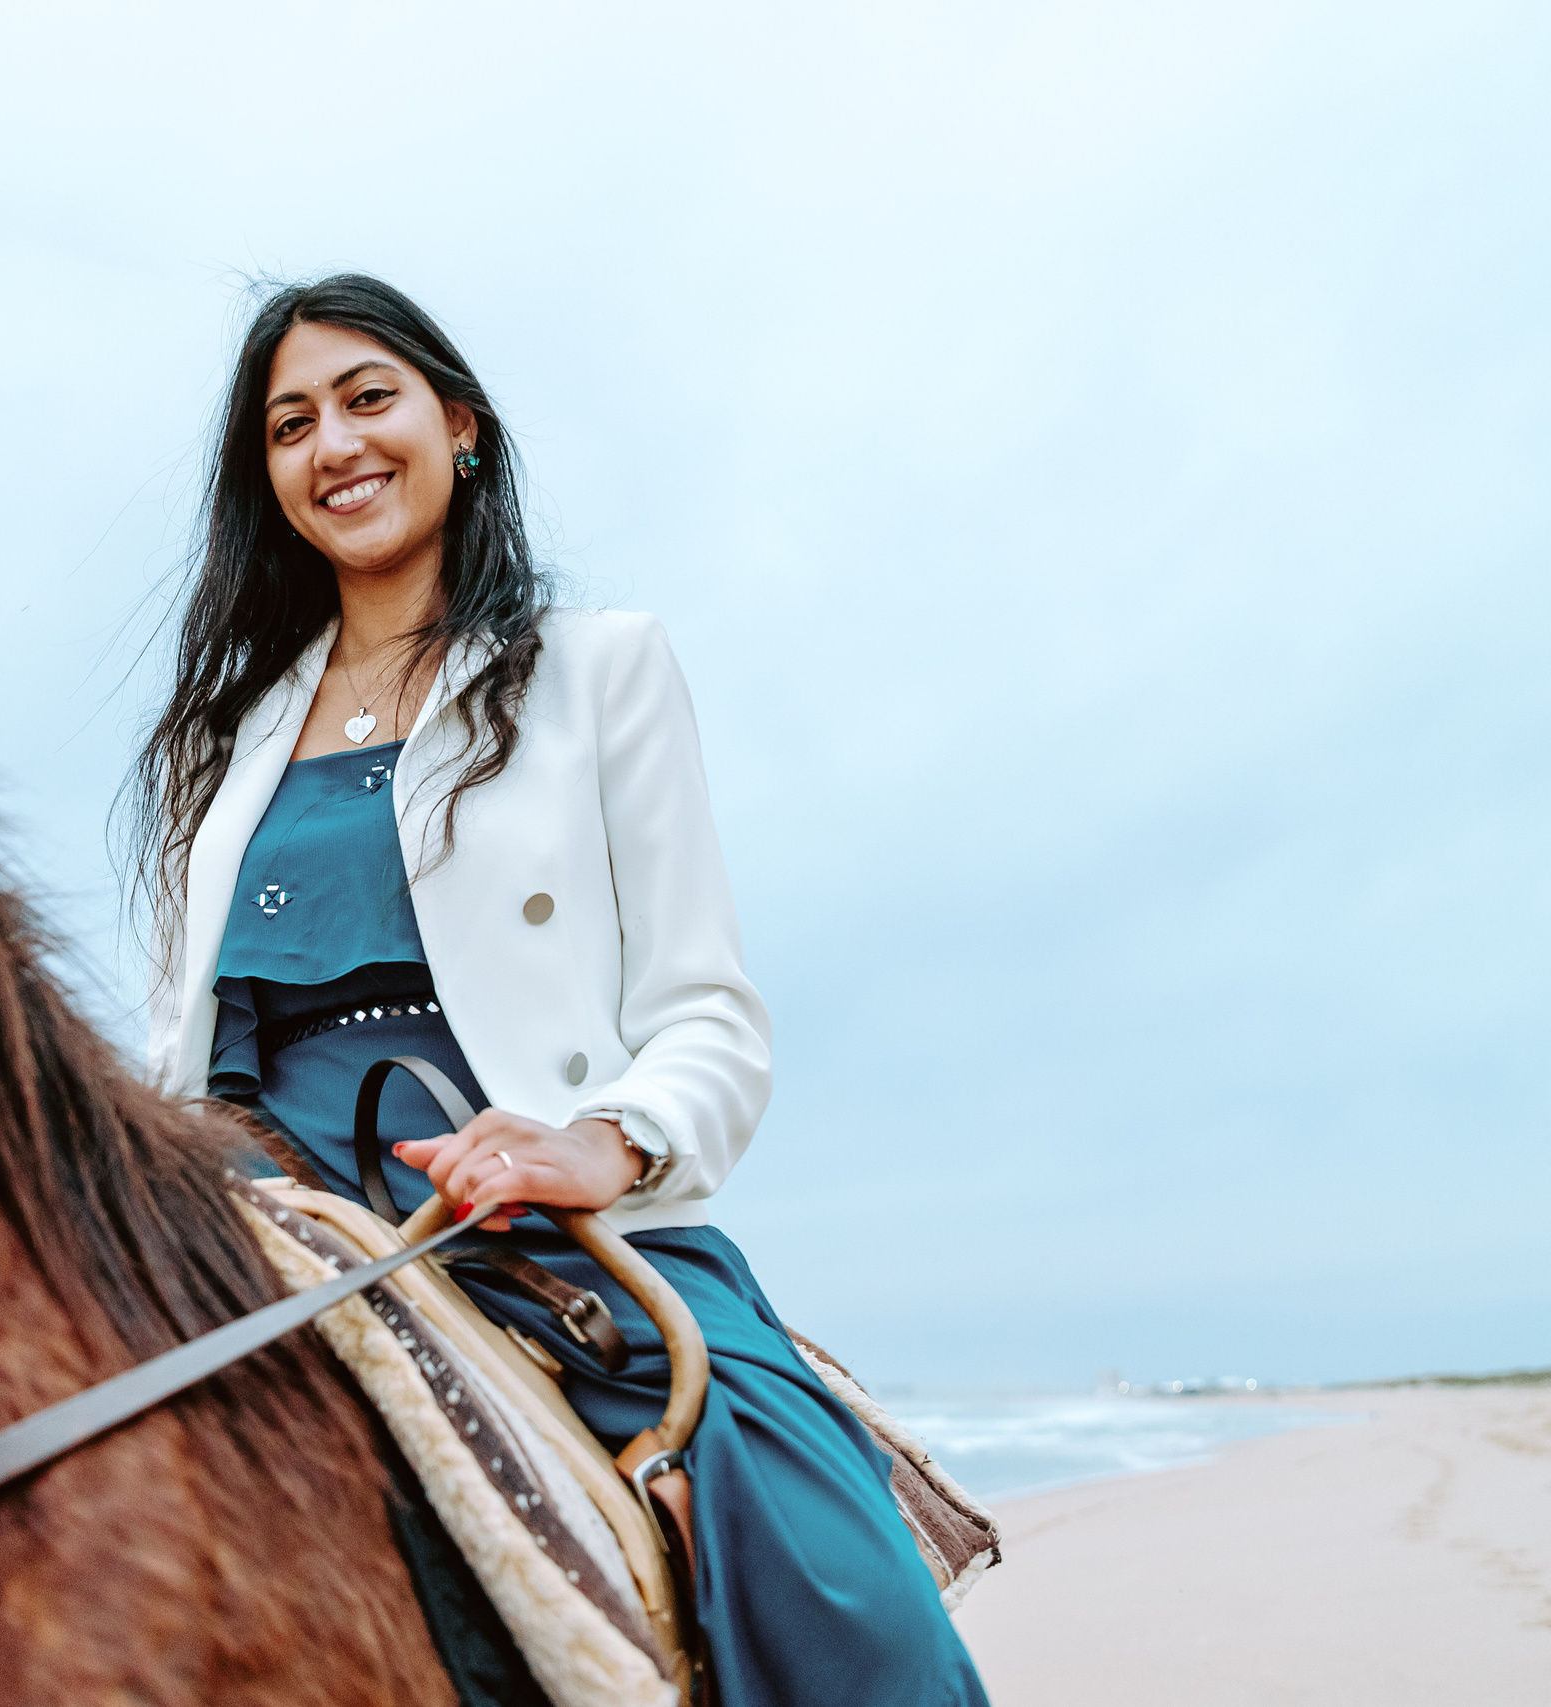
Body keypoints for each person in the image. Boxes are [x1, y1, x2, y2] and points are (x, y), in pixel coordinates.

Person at [127, 275, 989, 1706]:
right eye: (290, 424)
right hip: (245, 1204)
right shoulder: (215, 746)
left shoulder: (600, 670)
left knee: (847, 1591)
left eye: (368, 398)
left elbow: (710, 1015)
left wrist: (601, 1144)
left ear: (459, 427)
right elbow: (178, 1040)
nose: (334, 444)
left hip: (529, 1207)